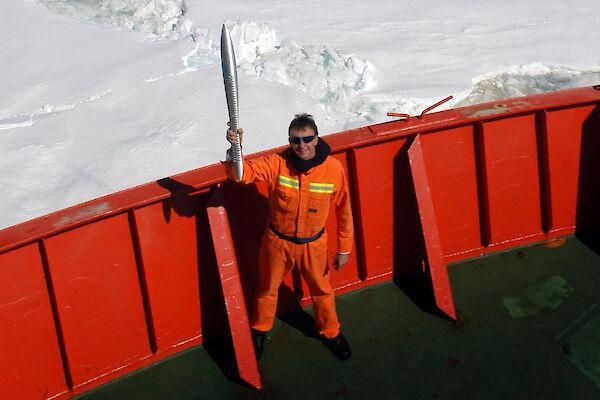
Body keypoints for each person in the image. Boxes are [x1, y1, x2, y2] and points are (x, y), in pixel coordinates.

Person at [224, 113, 354, 361]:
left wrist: (344, 249)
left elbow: (344, 211)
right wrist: (235, 149)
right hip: (277, 243)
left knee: (322, 292)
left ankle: (331, 333)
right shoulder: (277, 163)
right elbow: (240, 175)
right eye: (296, 140)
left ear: (317, 139)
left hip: (314, 245)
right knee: (266, 289)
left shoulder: (334, 170)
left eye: (307, 138)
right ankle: (259, 331)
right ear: (290, 141)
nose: (302, 145)